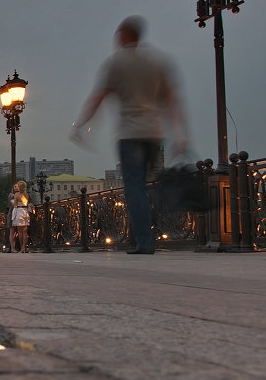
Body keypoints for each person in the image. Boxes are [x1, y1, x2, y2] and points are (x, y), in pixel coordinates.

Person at [73, 15, 188, 255]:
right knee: (146, 186)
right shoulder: (158, 62)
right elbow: (171, 100)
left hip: (130, 134)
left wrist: (81, 125)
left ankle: (144, 241)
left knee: (134, 186)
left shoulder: (117, 63)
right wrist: (180, 134)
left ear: (124, 36)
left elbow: (99, 97)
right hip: (154, 134)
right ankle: (142, 237)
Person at [9, 181, 31, 253]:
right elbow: (27, 202)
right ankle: (24, 247)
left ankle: (22, 247)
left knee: (20, 231)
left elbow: (15, 204)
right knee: (25, 231)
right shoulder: (26, 194)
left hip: (19, 211)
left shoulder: (17, 195)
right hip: (25, 211)